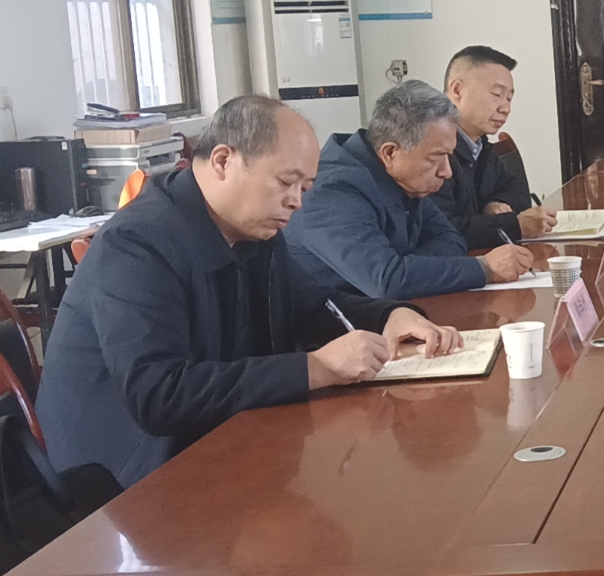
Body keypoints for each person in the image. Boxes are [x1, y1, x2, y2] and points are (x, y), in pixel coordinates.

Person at [37, 95, 463, 487]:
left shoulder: (249, 227)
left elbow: (311, 306)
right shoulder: (138, 244)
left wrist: (390, 316)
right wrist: (314, 367)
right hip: (129, 480)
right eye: (286, 182)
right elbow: (159, 395)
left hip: (224, 439)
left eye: (305, 188)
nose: (296, 202)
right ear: (223, 160)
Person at [287, 79, 534, 299]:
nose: (446, 172)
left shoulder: (406, 179)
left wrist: (407, 266)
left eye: (448, 156)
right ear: (390, 152)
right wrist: (485, 269)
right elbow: (387, 281)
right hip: (335, 329)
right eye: (435, 158)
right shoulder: (332, 191)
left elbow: (452, 239)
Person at [430, 45, 557, 247]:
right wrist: (513, 225)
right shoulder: (432, 151)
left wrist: (497, 203)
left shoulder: (479, 145)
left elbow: (518, 189)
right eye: (497, 94)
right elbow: (441, 229)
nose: (506, 108)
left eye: (509, 98)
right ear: (457, 90)